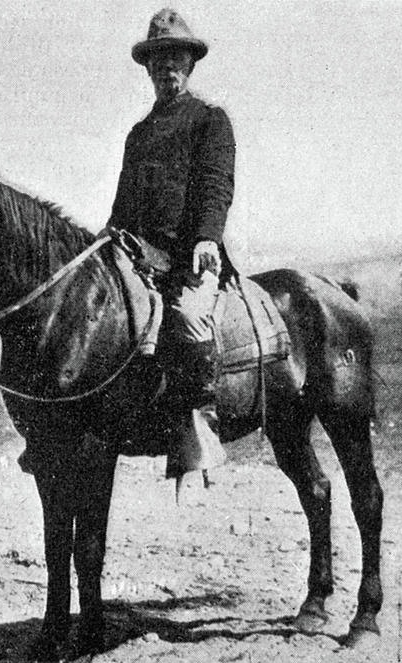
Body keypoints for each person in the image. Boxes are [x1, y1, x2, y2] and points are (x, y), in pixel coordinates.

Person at [100, 8, 236, 481]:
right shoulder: (138, 135)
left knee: (189, 316)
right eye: (158, 61)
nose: (167, 69)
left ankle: (201, 420)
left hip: (187, 253)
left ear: (190, 64)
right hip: (138, 252)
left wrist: (207, 239)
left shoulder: (209, 120)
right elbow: (122, 204)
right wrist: (105, 238)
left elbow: (216, 184)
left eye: (176, 59)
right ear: (148, 68)